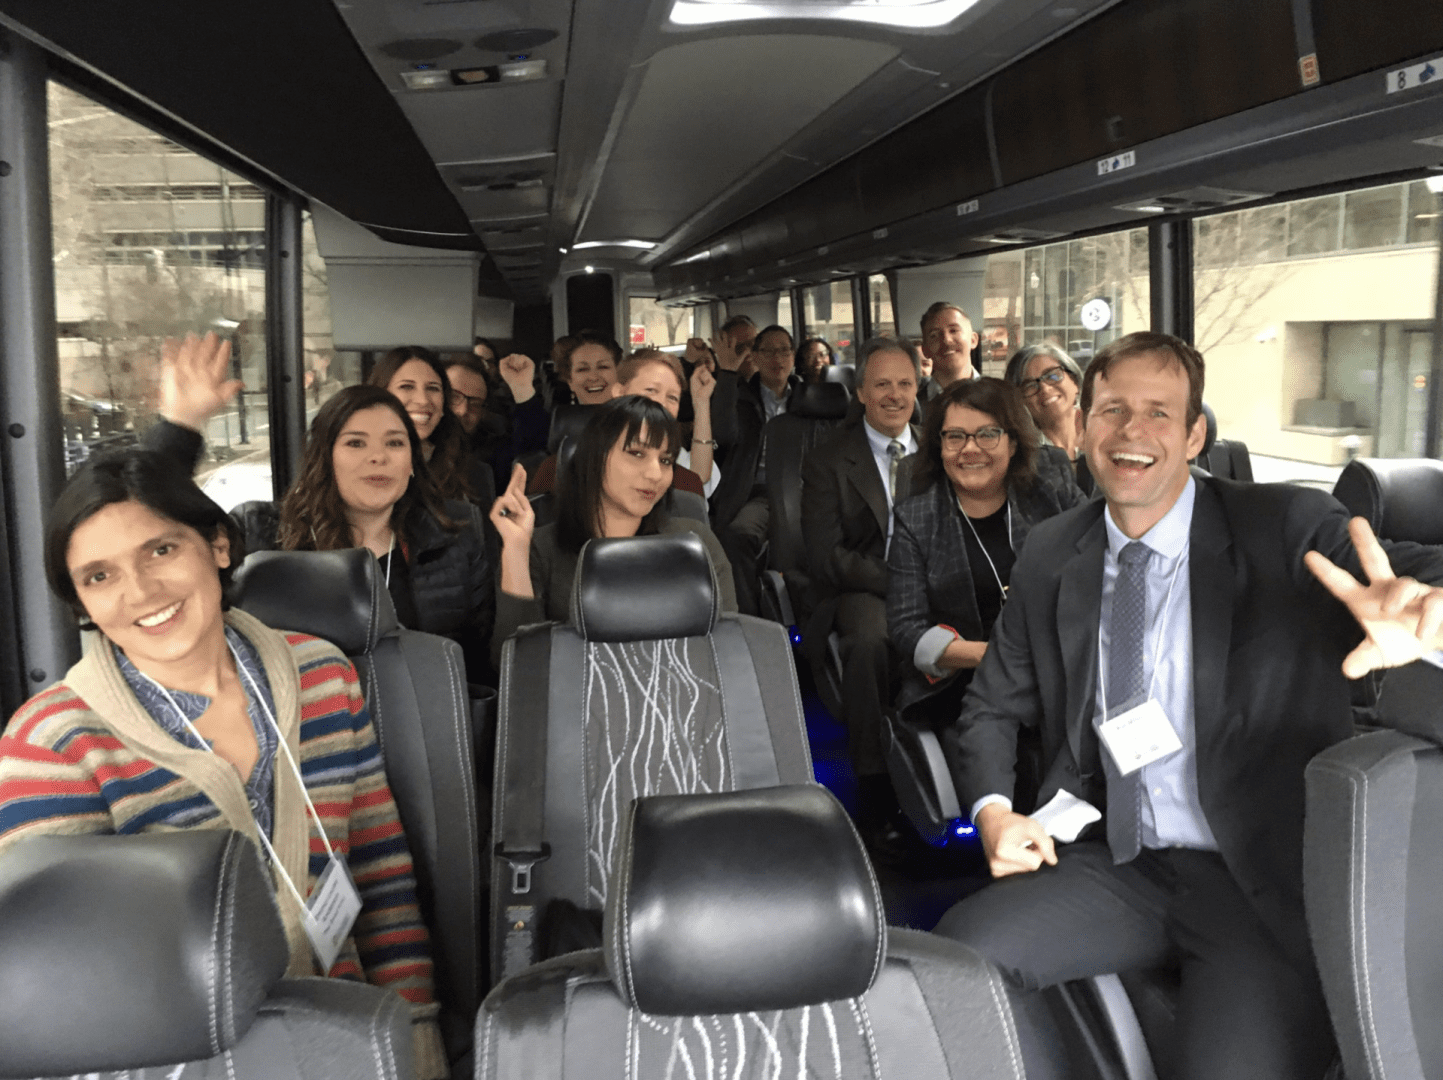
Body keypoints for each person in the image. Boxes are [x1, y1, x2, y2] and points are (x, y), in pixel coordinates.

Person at [933, 331, 1443, 1080]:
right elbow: (991, 706)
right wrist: (990, 812)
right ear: (1082, 428)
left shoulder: (1283, 528)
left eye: (1158, 413)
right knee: (952, 964)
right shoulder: (1050, 551)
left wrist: (1423, 611)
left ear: (1195, 433)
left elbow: (1403, 576)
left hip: (1255, 876)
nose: (1130, 433)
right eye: (1111, 410)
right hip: (1115, 857)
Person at [0, 449, 447, 1078]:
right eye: (99, 576)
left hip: (348, 1038)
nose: (141, 592)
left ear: (216, 545)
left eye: (161, 550)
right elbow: (66, 987)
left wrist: (416, 1034)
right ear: (79, 603)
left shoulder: (322, 674)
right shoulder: (53, 742)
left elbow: (379, 877)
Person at [147, 334, 494, 682]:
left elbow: (475, 665)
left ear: (411, 463)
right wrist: (180, 429)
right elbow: (146, 531)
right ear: (325, 458)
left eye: (395, 443)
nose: (378, 456)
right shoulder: (260, 531)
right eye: (356, 442)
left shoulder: (454, 540)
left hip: (419, 726)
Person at [888, 378, 1085, 731]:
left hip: (1064, 668)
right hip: (965, 683)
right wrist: (994, 657)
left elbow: (1100, 567)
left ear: (1012, 443)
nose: (970, 448)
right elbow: (906, 628)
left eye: (987, 434)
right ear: (939, 446)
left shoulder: (1050, 493)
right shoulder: (916, 519)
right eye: (955, 436)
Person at [489, 395, 737, 664]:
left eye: (665, 460)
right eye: (637, 453)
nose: (655, 474)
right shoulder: (540, 547)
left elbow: (727, 647)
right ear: (595, 456)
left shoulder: (695, 541)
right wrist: (515, 548)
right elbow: (517, 668)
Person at [799, 338, 920, 847]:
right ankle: (874, 786)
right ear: (861, 393)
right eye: (883, 384)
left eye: (905, 384)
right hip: (862, 585)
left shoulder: (944, 448)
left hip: (939, 580)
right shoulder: (829, 461)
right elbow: (827, 554)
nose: (895, 395)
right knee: (872, 641)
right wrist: (899, 581)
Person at [709, 323, 800, 613]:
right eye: (769, 352)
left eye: (784, 350)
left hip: (808, 488)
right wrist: (726, 374)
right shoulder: (740, 397)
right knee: (738, 537)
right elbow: (722, 435)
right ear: (756, 358)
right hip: (760, 490)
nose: (778, 359)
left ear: (793, 356)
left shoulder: (810, 397)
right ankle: (748, 618)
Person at [368, 346, 494, 507]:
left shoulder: (472, 473)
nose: (423, 400)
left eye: (433, 388)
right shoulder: (351, 462)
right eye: (407, 386)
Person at [1003, 343, 1086, 466]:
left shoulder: (1102, 435)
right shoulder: (1020, 459)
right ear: (1018, 402)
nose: (1044, 388)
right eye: (1029, 386)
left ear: (1076, 382)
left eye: (1052, 376)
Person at [918, 302, 980, 399]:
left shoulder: (1001, 398)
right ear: (925, 350)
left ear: (973, 340)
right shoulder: (910, 407)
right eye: (934, 335)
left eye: (954, 330)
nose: (946, 340)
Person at [556, 330, 621, 406]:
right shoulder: (557, 417)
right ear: (570, 381)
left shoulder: (635, 416)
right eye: (583, 369)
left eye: (603, 367)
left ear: (618, 372)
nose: (593, 377)